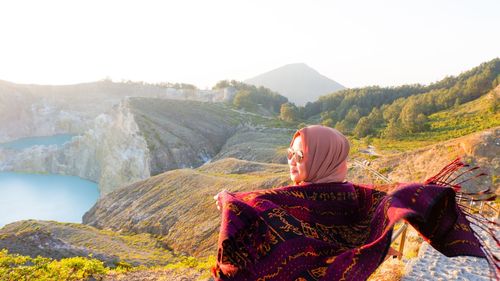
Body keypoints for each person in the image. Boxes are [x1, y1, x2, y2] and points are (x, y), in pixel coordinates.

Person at [212, 125, 497, 281]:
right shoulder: (352, 195)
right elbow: (389, 195)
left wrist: (228, 202)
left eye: (299, 155)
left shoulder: (343, 197)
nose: (291, 160)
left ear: (323, 159)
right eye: (289, 152)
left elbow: (253, 205)